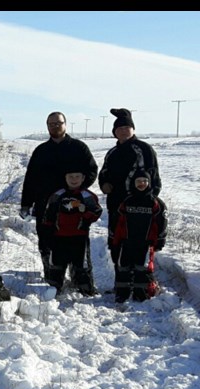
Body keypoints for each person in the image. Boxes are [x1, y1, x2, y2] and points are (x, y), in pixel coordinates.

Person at [20, 112, 98, 283]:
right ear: (47, 126)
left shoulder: (79, 148)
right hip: (45, 205)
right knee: (47, 242)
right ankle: (52, 277)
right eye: (51, 123)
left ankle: (81, 279)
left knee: (77, 242)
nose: (55, 126)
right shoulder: (41, 151)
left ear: (65, 124)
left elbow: (92, 170)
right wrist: (26, 203)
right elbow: (30, 178)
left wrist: (78, 190)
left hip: (73, 207)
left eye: (58, 123)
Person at [97, 108, 162, 281]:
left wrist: (151, 200)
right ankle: (122, 282)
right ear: (114, 132)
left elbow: (154, 178)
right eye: (119, 128)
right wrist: (104, 184)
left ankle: (141, 283)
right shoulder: (112, 152)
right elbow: (103, 173)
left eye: (127, 127)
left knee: (139, 246)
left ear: (133, 129)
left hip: (140, 209)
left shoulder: (144, 149)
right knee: (116, 243)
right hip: (116, 205)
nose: (123, 130)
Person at [42, 166, 103, 295]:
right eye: (70, 176)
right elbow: (48, 214)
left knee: (82, 265)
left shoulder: (87, 195)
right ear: (65, 178)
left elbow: (96, 213)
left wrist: (85, 212)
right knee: (56, 264)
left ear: (83, 178)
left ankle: (86, 290)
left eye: (77, 177)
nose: (74, 180)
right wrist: (48, 231)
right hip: (59, 236)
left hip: (79, 236)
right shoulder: (57, 195)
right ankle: (54, 290)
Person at [110, 168, 168, 302]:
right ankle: (122, 292)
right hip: (127, 241)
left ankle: (141, 293)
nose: (141, 184)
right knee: (123, 266)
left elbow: (162, 222)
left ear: (149, 183)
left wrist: (160, 239)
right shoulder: (126, 202)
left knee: (143, 268)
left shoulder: (156, 203)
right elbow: (116, 221)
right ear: (133, 183)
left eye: (144, 181)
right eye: (138, 181)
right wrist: (114, 238)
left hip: (146, 242)